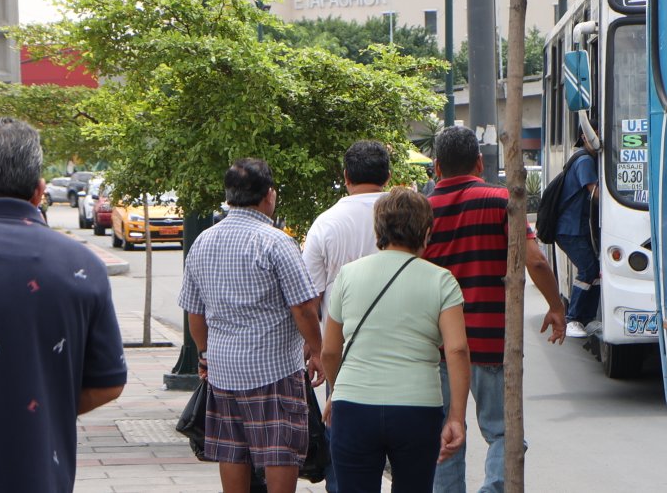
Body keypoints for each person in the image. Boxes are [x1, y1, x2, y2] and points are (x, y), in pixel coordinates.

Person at [0, 117, 127, 492]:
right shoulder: (82, 265)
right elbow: (108, 383)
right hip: (40, 475)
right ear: (40, 192)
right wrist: (37, 404)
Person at [424, 126, 567, 493]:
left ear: (437, 168)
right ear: (478, 163)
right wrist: (556, 306)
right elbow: (535, 261)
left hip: (438, 346)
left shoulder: (422, 211)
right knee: (504, 433)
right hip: (491, 341)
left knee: (446, 435)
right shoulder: (501, 200)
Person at [178, 158, 325, 493]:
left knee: (231, 449)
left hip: (224, 369)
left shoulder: (203, 241)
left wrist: (204, 355)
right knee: (280, 449)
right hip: (273, 369)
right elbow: (303, 308)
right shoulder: (275, 242)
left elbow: (194, 314)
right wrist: (317, 351)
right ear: (269, 195)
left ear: (229, 196)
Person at [321, 186, 469, 493]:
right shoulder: (442, 280)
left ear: (379, 229)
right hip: (417, 408)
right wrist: (456, 416)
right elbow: (456, 349)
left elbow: (330, 351)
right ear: (427, 231)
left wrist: (337, 390)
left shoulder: (347, 276)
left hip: (354, 406)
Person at [303, 139, 390, 492]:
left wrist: (315, 350)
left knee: (343, 440)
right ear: (387, 175)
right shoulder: (406, 215)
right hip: (404, 350)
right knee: (404, 447)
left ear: (346, 176)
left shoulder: (326, 223)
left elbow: (310, 297)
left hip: (342, 354)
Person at [554, 134, 600, 338]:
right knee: (588, 269)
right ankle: (572, 319)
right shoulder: (585, 160)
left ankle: (587, 319)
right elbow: (595, 193)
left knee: (595, 269)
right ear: (585, 136)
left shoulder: (584, 157)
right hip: (569, 229)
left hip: (575, 228)